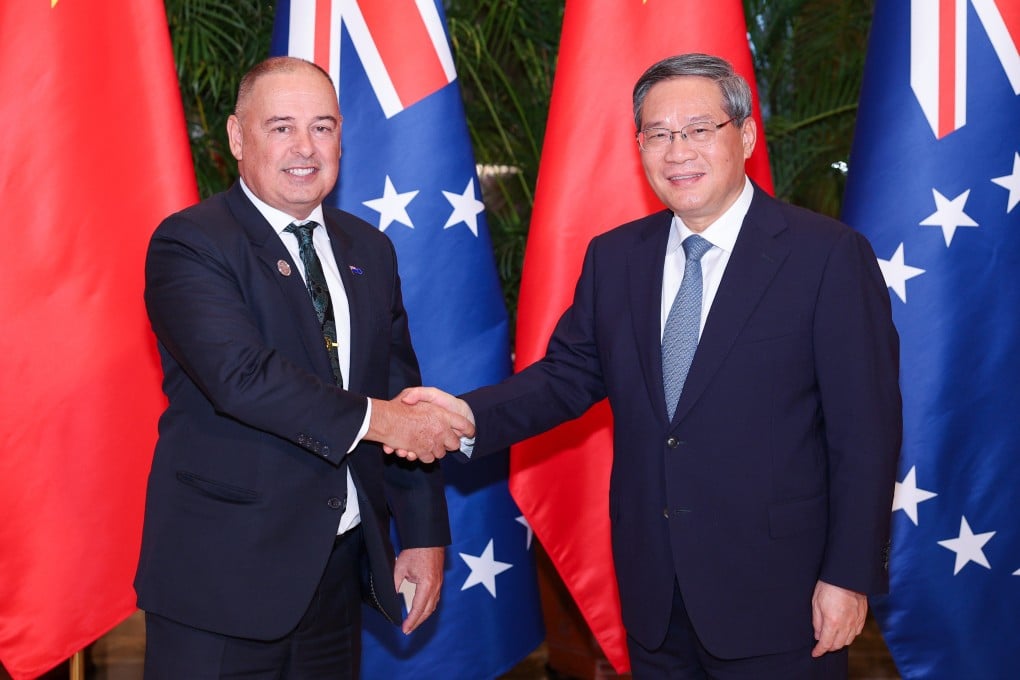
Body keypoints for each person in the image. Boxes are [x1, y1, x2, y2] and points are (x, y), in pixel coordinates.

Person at [398, 53, 902, 678]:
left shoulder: (827, 256)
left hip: (783, 597)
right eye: (658, 135)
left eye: (698, 129)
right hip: (655, 596)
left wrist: (847, 577)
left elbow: (866, 434)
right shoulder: (617, 259)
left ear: (743, 135)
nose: (676, 151)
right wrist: (467, 415)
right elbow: (566, 377)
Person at [134, 56, 472, 679]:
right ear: (238, 138)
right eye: (281, 126)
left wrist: (422, 534)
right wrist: (383, 422)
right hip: (221, 582)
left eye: (322, 127)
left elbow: (403, 397)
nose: (305, 147)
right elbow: (243, 378)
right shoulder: (190, 244)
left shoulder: (368, 248)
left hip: (337, 577)